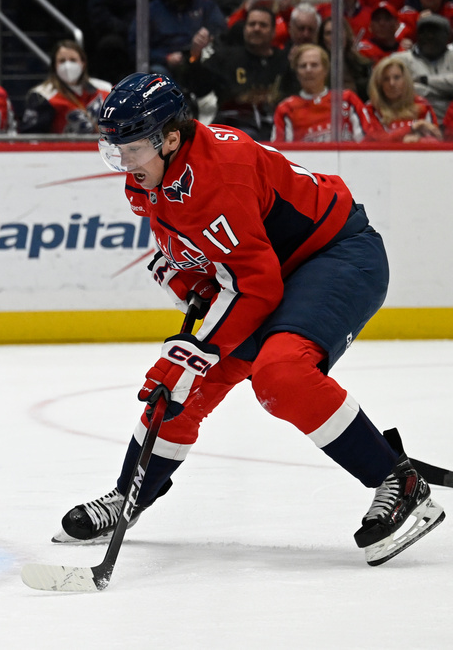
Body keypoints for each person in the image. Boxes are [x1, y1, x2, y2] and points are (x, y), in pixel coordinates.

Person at [55, 71, 445, 568]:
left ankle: (399, 482)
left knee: (280, 375)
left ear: (170, 138)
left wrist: (200, 347)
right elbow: (214, 261)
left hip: (336, 254)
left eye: (132, 148)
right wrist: (185, 282)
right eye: (117, 148)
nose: (124, 162)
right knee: (179, 387)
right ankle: (128, 495)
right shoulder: (153, 174)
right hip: (269, 270)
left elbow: (257, 286)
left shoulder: (220, 174)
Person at [190, 6, 297, 141]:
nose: (256, 28)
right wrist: (195, 57)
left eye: (263, 25)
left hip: (276, 127)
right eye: (252, 24)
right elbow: (199, 88)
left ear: (273, 32)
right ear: (245, 29)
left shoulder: (284, 61)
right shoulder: (225, 58)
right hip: (232, 127)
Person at [128, 0, 226, 91]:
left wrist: (207, 36)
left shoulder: (206, 7)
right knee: (156, 76)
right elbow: (134, 46)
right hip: (164, 67)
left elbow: (221, 30)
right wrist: (165, 58)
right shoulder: (150, 11)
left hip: (198, 62)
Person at [272, 43, 374, 141]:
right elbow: (280, 151)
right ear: (297, 73)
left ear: (325, 69)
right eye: (303, 66)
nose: (308, 70)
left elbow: (367, 140)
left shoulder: (347, 99)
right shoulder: (286, 108)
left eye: (314, 65)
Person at [20, 39, 112, 135]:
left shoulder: (105, 89)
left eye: (73, 60)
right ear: (54, 66)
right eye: (62, 61)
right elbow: (32, 137)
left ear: (83, 63)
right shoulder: (42, 95)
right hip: (64, 149)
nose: (68, 66)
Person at [365, 55, 441, 142]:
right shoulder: (371, 109)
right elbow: (377, 142)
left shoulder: (421, 104)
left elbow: (437, 139)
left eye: (397, 77)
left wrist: (418, 141)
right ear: (379, 84)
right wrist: (411, 129)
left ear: (405, 80)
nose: (392, 83)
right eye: (386, 79)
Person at [391, 13, 453, 120]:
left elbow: (411, 90)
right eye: (424, 32)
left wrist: (424, 80)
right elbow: (396, 90)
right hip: (416, 124)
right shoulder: (399, 60)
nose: (429, 36)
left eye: (435, 31)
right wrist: (447, 93)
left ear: (448, 36)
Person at [222, 0, 292, 49]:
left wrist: (286, 11)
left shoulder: (281, 16)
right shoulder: (241, 14)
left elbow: (296, 32)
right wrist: (247, 7)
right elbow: (230, 30)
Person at [318, 14, 373, 99]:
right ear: (322, 39)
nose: (335, 37)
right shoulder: (315, 66)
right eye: (329, 33)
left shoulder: (364, 66)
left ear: (346, 34)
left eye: (338, 31)